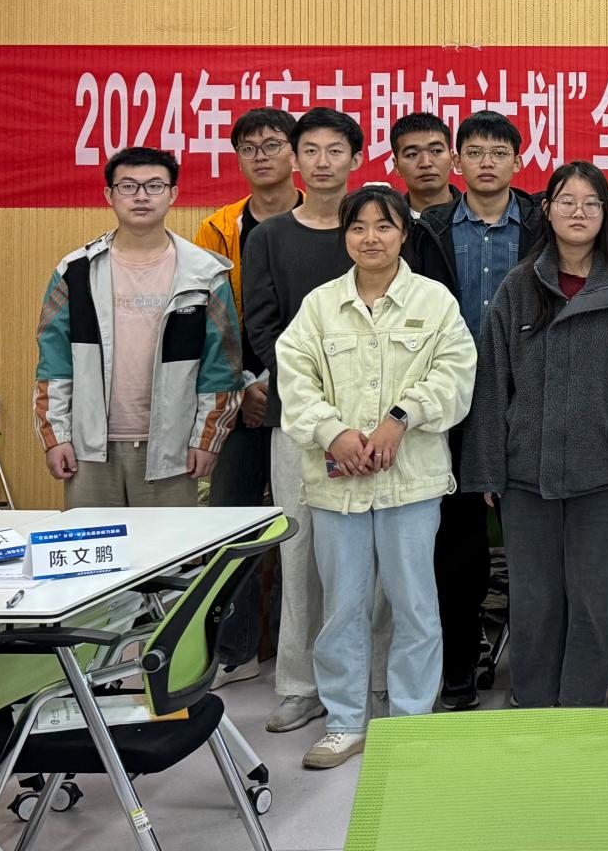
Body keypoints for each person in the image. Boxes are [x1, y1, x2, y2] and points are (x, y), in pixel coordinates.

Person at [276, 184, 475, 770]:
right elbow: (295, 381)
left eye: (384, 226)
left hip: (410, 480)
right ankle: (344, 722)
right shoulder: (318, 307)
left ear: (404, 234)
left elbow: (456, 375)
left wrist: (400, 418)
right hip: (336, 482)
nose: (371, 238)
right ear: (345, 236)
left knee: (414, 603)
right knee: (343, 606)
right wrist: (333, 432)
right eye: (358, 227)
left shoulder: (435, 302)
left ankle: (410, 719)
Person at [463, 162, 608, 709]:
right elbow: (492, 381)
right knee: (534, 601)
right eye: (567, 201)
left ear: (605, 215)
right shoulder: (518, 286)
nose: (579, 212)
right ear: (547, 210)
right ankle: (532, 705)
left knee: (593, 604)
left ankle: (580, 710)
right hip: (526, 476)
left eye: (591, 203)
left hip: (602, 478)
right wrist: (488, 467)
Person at [242, 107, 378, 736]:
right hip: (298, 421)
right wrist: (319, 402)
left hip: (373, 423)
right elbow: (262, 327)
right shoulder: (269, 237)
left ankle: (368, 679)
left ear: (357, 157)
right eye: (311, 151)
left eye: (336, 150)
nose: (323, 162)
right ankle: (300, 685)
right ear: (295, 159)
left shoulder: (376, 226)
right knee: (298, 554)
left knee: (368, 560)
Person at [413, 111, 543, 710]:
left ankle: (535, 670)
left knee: (533, 541)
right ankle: (460, 666)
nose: (486, 162)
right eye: (475, 152)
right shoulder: (429, 230)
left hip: (529, 399)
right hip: (452, 403)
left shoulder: (542, 223)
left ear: (518, 160)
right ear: (456, 161)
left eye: (499, 152)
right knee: (458, 547)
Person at [36, 146, 241, 509]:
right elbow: (54, 362)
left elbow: (221, 367)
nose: (142, 196)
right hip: (89, 447)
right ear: (109, 195)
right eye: (128, 186)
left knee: (172, 547)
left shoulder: (205, 274)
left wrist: (206, 439)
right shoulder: (75, 272)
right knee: (95, 544)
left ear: (173, 194)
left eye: (155, 186)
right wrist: (56, 436)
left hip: (174, 449)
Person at [196, 107, 300, 683]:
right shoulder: (217, 229)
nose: (261, 156)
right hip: (238, 400)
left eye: (273, 144)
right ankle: (233, 651)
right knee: (231, 525)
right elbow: (209, 321)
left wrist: (281, 384)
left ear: (295, 152)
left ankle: (291, 650)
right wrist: (244, 387)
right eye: (249, 148)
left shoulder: (329, 217)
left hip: (304, 396)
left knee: (298, 528)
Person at [391, 113, 456, 214]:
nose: (426, 163)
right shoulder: (389, 219)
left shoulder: (477, 215)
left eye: (436, 151)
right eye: (412, 154)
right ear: (397, 166)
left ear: (452, 159)